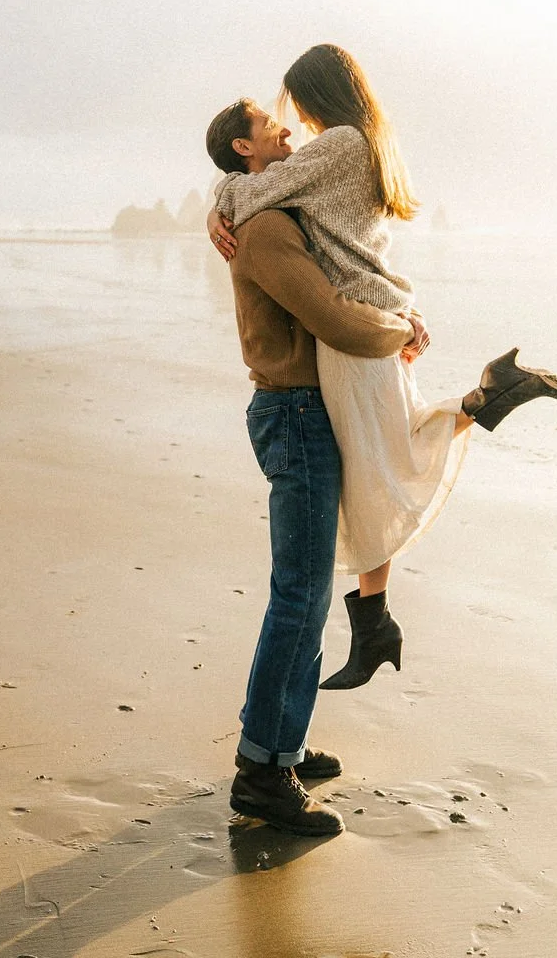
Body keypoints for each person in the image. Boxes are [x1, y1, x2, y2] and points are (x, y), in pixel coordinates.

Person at [208, 44, 557, 692]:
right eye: (276, 120)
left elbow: (254, 196)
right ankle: (374, 617)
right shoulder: (366, 142)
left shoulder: (337, 145)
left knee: (385, 465)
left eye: (292, 106)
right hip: (384, 315)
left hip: (361, 332)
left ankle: (375, 620)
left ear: (316, 94)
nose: (289, 122)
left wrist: (220, 199)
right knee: (382, 459)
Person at [204, 97, 429, 837]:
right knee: (298, 594)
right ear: (244, 149)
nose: (288, 130)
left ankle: (283, 743)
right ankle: (263, 773)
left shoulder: (268, 211)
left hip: (304, 412)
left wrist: (398, 321)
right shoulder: (266, 229)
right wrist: (398, 328)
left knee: (303, 589)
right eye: (272, 127)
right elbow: (331, 315)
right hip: (295, 414)